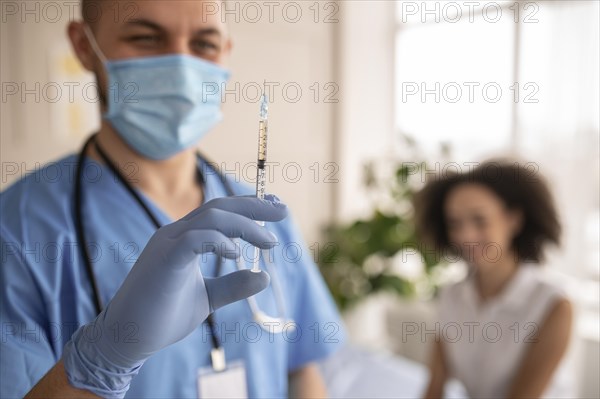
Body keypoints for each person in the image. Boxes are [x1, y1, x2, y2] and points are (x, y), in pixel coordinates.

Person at [0, 1, 344, 397]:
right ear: (83, 45)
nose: (180, 65)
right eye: (146, 38)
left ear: (226, 51)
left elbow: (302, 371)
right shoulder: (18, 230)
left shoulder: (263, 214)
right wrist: (101, 360)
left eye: (204, 43)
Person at [415, 161, 573, 399]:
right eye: (455, 224)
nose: (466, 236)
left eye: (479, 220)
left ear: (514, 219)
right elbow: (433, 389)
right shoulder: (452, 296)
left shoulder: (554, 306)